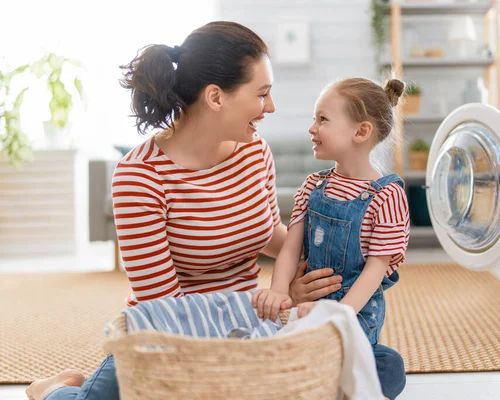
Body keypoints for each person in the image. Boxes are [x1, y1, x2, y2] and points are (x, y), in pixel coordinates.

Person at [25, 21, 341, 400]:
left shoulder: (256, 153)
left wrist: (313, 262)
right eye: (262, 94)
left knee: (374, 372)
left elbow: (270, 234)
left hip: (245, 331)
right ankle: (53, 389)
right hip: (167, 337)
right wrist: (279, 295)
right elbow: (166, 307)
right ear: (215, 97)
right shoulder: (140, 176)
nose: (270, 107)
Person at [252, 77, 410, 399]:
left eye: (322, 119)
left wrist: (337, 316)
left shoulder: (387, 196)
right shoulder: (313, 185)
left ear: (361, 132)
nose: (312, 128)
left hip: (350, 328)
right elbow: (290, 248)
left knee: (389, 366)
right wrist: (278, 292)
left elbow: (375, 271)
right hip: (302, 320)